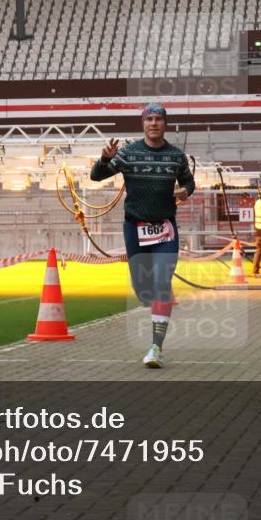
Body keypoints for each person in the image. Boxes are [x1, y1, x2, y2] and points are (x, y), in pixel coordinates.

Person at [90, 103, 195, 369]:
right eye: (149, 119)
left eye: (159, 119)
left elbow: (189, 181)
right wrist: (104, 159)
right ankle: (150, 301)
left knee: (162, 283)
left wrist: (185, 191)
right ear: (143, 124)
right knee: (143, 289)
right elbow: (96, 176)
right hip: (135, 227)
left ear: (165, 124)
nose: (154, 123)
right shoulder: (128, 153)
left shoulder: (176, 156)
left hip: (165, 228)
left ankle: (156, 348)